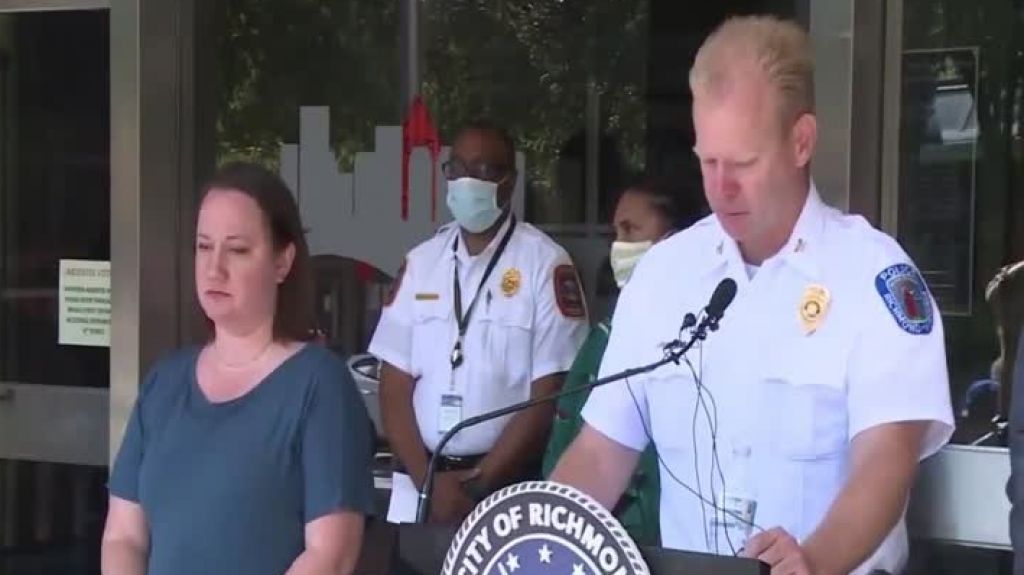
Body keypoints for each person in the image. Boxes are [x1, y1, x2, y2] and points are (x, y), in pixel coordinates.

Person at [552, 15, 954, 575]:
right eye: (708, 162)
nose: (721, 188)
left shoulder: (874, 276)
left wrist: (812, 560)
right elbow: (601, 453)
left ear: (801, 141)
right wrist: (533, 540)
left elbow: (887, 464)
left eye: (743, 163)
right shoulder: (664, 274)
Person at [101, 162, 374, 575]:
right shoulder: (165, 381)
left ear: (282, 262)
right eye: (204, 246)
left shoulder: (319, 384)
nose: (214, 268)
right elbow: (124, 535)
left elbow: (329, 556)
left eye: (238, 249)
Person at [370, 120, 589, 524]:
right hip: (418, 485)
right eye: (457, 169)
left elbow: (550, 394)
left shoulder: (544, 264)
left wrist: (479, 482)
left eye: (484, 171)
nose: (468, 181)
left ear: (509, 182)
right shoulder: (422, 262)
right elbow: (394, 384)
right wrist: (428, 483)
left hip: (502, 490)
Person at [542, 176, 705, 546]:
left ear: (675, 239)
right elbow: (567, 443)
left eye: (631, 230)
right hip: (595, 540)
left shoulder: (703, 334)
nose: (619, 245)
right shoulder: (608, 333)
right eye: (616, 231)